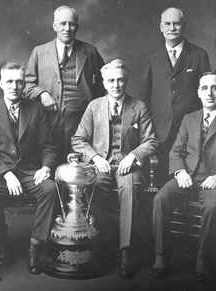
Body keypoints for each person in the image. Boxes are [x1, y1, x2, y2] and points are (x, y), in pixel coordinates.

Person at [151, 72, 216, 281]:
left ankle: (202, 259)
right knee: (160, 198)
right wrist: (180, 172)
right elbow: (175, 151)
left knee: (213, 206)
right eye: (204, 88)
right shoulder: (190, 118)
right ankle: (160, 256)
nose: (209, 93)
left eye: (214, 87)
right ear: (198, 92)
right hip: (188, 177)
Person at [72, 59, 158, 279]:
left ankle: (125, 251)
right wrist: (95, 157)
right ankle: (102, 245)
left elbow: (151, 141)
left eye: (120, 80)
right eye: (111, 80)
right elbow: (78, 139)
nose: (116, 85)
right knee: (95, 188)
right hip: (101, 164)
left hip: (128, 165)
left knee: (129, 190)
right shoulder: (94, 106)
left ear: (126, 81)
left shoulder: (138, 106)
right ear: (104, 82)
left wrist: (133, 155)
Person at [0, 62, 57, 275]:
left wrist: (46, 168)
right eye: (10, 81)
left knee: (50, 189)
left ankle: (36, 246)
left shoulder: (36, 109)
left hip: (30, 172)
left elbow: (49, 146)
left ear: (24, 84)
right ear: (1, 84)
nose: (14, 86)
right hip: (0, 174)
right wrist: (6, 173)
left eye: (19, 81)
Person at [25, 5, 105, 163]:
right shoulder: (39, 52)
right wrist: (42, 93)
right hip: (48, 122)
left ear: (77, 26)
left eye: (71, 24)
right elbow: (27, 86)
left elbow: (106, 81)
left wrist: (92, 104)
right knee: (50, 165)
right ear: (54, 26)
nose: (67, 28)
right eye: (62, 24)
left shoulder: (89, 51)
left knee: (80, 170)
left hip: (82, 123)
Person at [141, 7, 211, 184]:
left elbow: (208, 93)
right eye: (168, 24)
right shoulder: (153, 58)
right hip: (159, 131)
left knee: (188, 181)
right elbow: (144, 97)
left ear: (184, 26)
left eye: (176, 23)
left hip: (190, 131)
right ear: (161, 27)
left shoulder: (199, 55)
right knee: (159, 182)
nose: (172, 28)